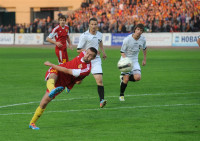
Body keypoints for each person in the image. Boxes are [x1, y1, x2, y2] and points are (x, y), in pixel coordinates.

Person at [29, 47, 97, 130]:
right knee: (53, 74)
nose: (87, 56)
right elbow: (79, 50)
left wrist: (51, 64)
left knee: (43, 103)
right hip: (57, 70)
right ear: (85, 51)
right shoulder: (83, 53)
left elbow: (68, 71)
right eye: (87, 53)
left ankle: (32, 123)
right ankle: (52, 89)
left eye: (90, 56)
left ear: (93, 58)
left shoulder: (86, 69)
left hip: (63, 80)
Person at [77, 17, 107, 108]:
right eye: (92, 24)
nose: (94, 26)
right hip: (86, 60)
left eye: (95, 24)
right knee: (78, 82)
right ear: (89, 25)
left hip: (96, 60)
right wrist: (90, 52)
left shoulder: (99, 34)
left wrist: (103, 51)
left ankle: (101, 100)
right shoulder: (84, 35)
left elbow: (100, 41)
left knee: (99, 80)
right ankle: (69, 83)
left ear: (97, 25)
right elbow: (78, 49)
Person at [119, 24, 147, 101]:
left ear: (142, 32)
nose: (139, 31)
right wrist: (126, 61)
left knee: (138, 77)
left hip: (134, 61)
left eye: (141, 30)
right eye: (138, 29)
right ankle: (121, 95)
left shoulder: (143, 39)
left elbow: (144, 48)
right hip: (125, 60)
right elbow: (122, 52)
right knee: (126, 80)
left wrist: (144, 59)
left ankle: (123, 77)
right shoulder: (127, 39)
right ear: (135, 30)